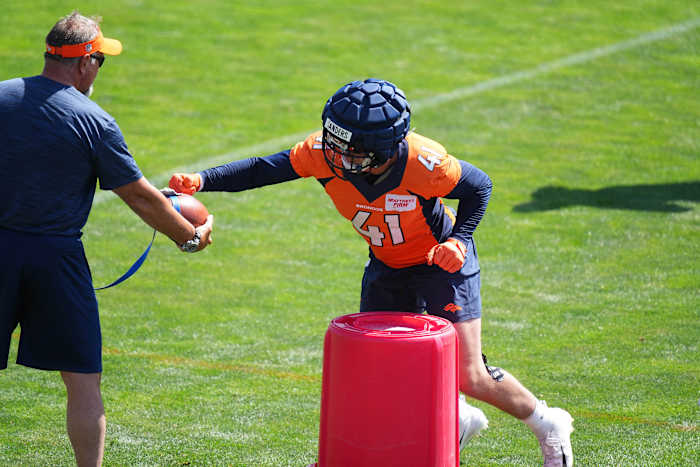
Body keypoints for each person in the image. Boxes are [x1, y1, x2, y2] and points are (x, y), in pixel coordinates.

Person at [169, 78, 574, 466]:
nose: (335, 159)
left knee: (468, 375)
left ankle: (547, 423)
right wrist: (203, 180)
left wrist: (461, 240)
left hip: (440, 263)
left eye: (351, 153)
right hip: (387, 265)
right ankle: (455, 421)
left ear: (384, 152)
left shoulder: (424, 162)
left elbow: (478, 186)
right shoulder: (323, 153)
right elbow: (263, 169)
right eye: (333, 145)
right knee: (382, 363)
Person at [0, 11, 214, 467]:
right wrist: (189, 237)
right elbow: (139, 197)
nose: (98, 70)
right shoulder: (94, 120)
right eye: (100, 60)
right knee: (82, 378)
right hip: (55, 258)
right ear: (84, 63)